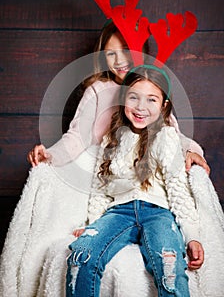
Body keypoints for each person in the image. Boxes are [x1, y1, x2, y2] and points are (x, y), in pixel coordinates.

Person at [66, 65, 204, 297]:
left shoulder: (166, 136)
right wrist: (93, 223)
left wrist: (192, 236)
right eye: (134, 98)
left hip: (158, 213)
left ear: (164, 106)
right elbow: (101, 188)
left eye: (151, 100)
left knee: (169, 264)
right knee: (80, 255)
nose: (141, 107)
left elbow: (178, 188)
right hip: (118, 213)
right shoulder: (111, 138)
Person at [27, 21, 209, 174]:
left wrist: (192, 151)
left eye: (126, 50)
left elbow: (174, 137)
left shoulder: (153, 92)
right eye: (111, 54)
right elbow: (77, 137)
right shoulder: (97, 92)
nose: (119, 60)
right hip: (106, 173)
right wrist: (51, 155)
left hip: (147, 175)